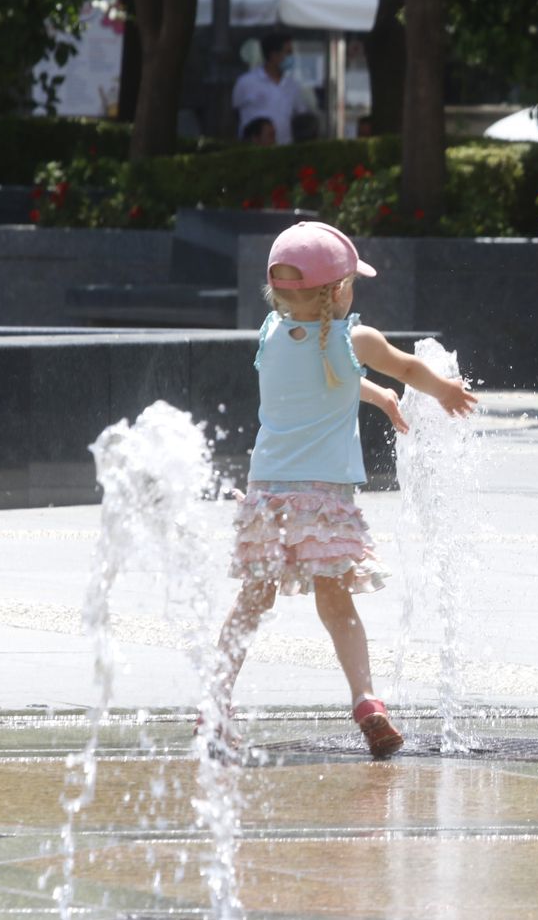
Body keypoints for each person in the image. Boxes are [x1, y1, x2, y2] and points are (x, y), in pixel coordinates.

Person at [206, 221, 478, 760]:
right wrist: (444, 389)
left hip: (266, 497)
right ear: (337, 291)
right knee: (338, 605)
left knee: (251, 601)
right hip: (325, 500)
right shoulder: (355, 338)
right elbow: (406, 367)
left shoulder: (269, 332)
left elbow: (324, 376)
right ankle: (366, 702)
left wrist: (375, 398)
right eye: (352, 281)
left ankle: (214, 703)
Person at [233, 32, 312, 146]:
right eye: (288, 52)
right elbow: (235, 114)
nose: (292, 57)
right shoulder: (246, 82)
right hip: (253, 151)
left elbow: (300, 115)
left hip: (283, 149)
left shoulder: (293, 85)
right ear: (274, 55)